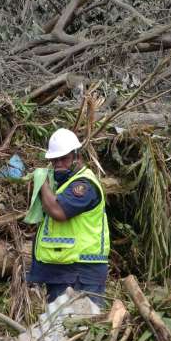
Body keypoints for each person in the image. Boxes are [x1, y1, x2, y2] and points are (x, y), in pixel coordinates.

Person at [28, 128, 109, 307]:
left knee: (80, 326)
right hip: (63, 271)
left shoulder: (83, 185)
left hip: (81, 273)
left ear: (76, 156)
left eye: (63, 159)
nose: (58, 164)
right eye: (54, 160)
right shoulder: (64, 186)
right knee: (61, 328)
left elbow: (58, 212)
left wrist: (42, 184)